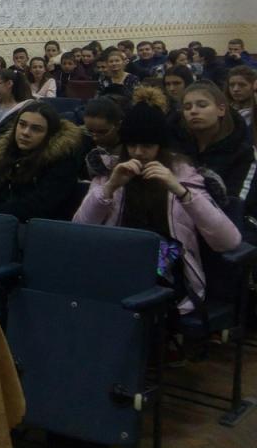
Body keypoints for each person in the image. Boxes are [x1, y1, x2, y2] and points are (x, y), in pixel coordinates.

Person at [74, 90, 241, 313]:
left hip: (166, 269)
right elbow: (80, 229)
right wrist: (110, 187)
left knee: (122, 283)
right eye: (132, 145)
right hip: (117, 256)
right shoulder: (110, 170)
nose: (138, 152)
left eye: (147, 146)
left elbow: (229, 241)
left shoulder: (185, 175)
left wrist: (181, 191)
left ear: (160, 147)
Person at [0, 101, 84, 222]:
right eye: (22, 124)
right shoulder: (6, 152)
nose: (25, 133)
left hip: (40, 227)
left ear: (50, 134)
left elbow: (39, 205)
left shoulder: (62, 161)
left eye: (36, 129)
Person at [176, 82, 255, 209]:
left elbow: (235, 202)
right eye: (187, 107)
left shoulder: (242, 152)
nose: (193, 111)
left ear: (221, 110)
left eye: (202, 105)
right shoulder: (176, 146)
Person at [82, 96, 128, 179]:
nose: (95, 138)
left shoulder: (130, 147)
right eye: (90, 131)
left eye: (102, 132)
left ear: (118, 126)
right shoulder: (82, 142)